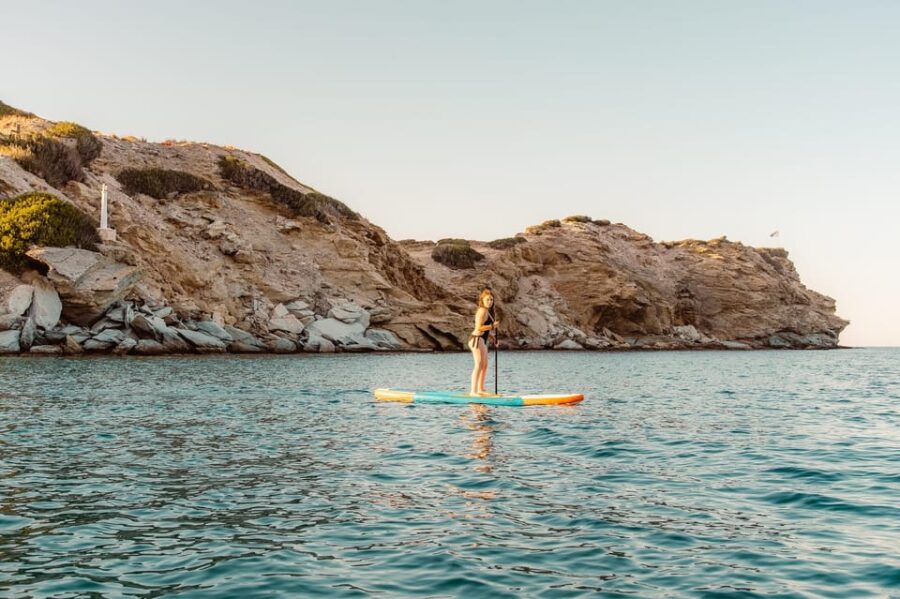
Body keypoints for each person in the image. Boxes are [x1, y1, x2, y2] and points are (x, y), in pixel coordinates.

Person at [468, 288, 499, 396]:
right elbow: (479, 328)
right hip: (476, 340)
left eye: (491, 300)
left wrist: (492, 337)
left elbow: (486, 331)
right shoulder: (481, 311)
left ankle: (481, 389)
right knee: (478, 365)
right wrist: (492, 326)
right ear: (482, 300)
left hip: (482, 340)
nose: (490, 302)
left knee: (485, 365)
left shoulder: (488, 311)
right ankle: (473, 391)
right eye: (487, 300)